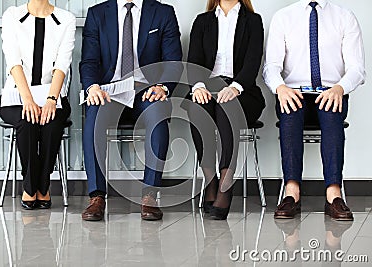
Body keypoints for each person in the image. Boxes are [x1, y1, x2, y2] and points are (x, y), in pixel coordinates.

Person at [80, 0, 182, 221]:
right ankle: (97, 197)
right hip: (110, 92)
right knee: (94, 115)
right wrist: (93, 87)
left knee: (158, 115)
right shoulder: (97, 14)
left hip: (145, 91)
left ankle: (150, 195)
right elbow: (88, 61)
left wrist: (162, 86)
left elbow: (173, 61)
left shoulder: (163, 13)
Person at [263, 0, 365, 220]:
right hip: (294, 91)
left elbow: (357, 68)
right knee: (290, 112)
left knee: (331, 114)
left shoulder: (345, 17)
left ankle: (334, 195)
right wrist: (280, 88)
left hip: (330, 92)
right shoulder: (283, 16)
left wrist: (340, 88)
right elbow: (271, 65)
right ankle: (292, 192)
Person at [187, 0, 265, 220]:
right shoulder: (203, 21)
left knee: (226, 106)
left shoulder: (253, 21)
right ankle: (210, 179)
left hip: (243, 91)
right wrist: (199, 87)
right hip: (208, 87)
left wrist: (235, 87)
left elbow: (252, 63)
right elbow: (194, 60)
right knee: (196, 107)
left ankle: (226, 182)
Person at [0, 0, 76, 209]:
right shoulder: (12, 15)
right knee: (27, 120)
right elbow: (13, 61)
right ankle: (31, 186)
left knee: (52, 123)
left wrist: (51, 100)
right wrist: (28, 99)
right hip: (17, 96)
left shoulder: (67, 19)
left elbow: (62, 64)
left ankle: (43, 185)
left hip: (52, 95)